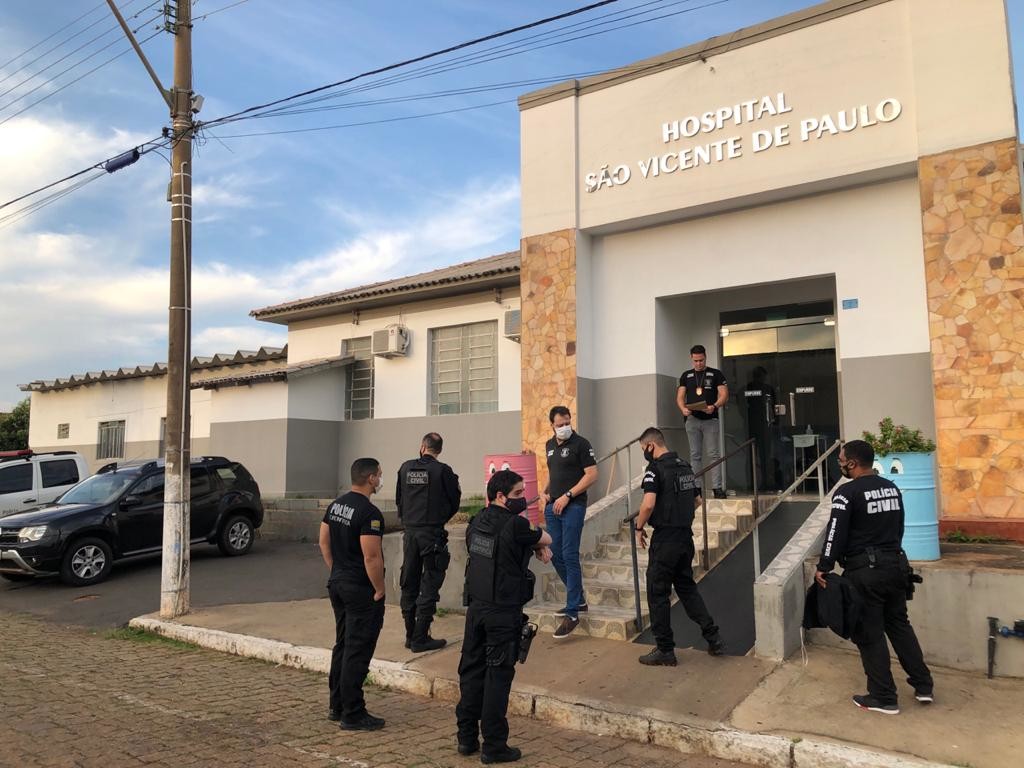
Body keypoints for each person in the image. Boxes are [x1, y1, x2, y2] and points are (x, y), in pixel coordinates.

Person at [815, 439, 933, 715]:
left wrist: (824, 565)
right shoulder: (891, 487)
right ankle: (923, 685)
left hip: (865, 572)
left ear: (852, 463)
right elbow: (899, 527)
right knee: (899, 625)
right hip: (896, 566)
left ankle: (883, 696)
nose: (839, 464)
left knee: (870, 632)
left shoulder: (846, 493)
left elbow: (835, 532)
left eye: (841, 460)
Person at [456, 470, 553, 763]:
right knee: (497, 678)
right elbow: (546, 536)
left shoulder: (476, 521)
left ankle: (466, 738)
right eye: (518, 494)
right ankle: (494, 746)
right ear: (500, 496)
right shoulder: (516, 524)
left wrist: (532, 546)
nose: (523, 498)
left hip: (477, 609)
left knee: (471, 673)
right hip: (502, 613)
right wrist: (538, 545)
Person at [634, 427, 725, 665]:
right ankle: (713, 638)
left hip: (665, 539)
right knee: (687, 589)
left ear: (651, 445)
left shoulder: (655, 469)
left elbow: (648, 504)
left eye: (643, 449)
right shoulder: (685, 466)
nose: (645, 453)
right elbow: (697, 500)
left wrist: (638, 527)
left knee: (657, 594)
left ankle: (665, 650)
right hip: (685, 538)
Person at [319, 458, 388, 731]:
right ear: (371, 478)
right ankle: (353, 713)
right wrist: (380, 588)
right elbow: (372, 557)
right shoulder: (370, 514)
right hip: (360, 589)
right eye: (379, 475)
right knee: (357, 650)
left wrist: (337, 570)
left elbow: (323, 541)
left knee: (343, 645)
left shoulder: (336, 505)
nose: (380, 480)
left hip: (338, 584)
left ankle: (337, 705)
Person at [396, 432, 462, 652]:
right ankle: (420, 637)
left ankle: (410, 635)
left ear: (422, 446)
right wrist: (439, 518)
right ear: (439, 450)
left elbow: (399, 500)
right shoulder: (443, 471)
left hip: (410, 533)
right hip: (432, 534)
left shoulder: (405, 468)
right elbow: (454, 502)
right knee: (430, 584)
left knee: (409, 582)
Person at [539, 405, 598, 639]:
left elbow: (592, 475)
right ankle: (579, 599)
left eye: (567, 423)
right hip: (553, 506)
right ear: (552, 425)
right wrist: (545, 492)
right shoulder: (549, 445)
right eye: (560, 424)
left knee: (570, 554)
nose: (565, 427)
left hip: (573, 505)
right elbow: (552, 472)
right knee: (555, 553)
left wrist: (568, 495)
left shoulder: (581, 444)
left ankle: (572, 613)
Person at [677, 344, 729, 499]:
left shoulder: (716, 374)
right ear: (691, 359)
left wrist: (715, 406)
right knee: (695, 455)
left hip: (710, 419)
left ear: (705, 357)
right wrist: (683, 409)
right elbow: (680, 397)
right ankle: (697, 488)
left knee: (713, 454)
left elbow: (724, 395)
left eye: (701, 360)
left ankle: (717, 488)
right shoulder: (686, 375)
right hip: (692, 419)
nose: (698, 363)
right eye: (696, 361)